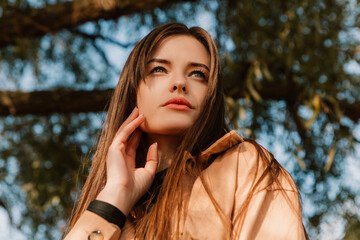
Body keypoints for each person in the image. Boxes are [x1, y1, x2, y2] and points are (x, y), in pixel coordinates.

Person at [64, 23, 308, 240]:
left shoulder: (246, 164)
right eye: (159, 69)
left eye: (198, 74)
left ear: (211, 96)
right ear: (132, 91)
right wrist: (114, 195)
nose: (179, 83)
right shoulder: (117, 209)